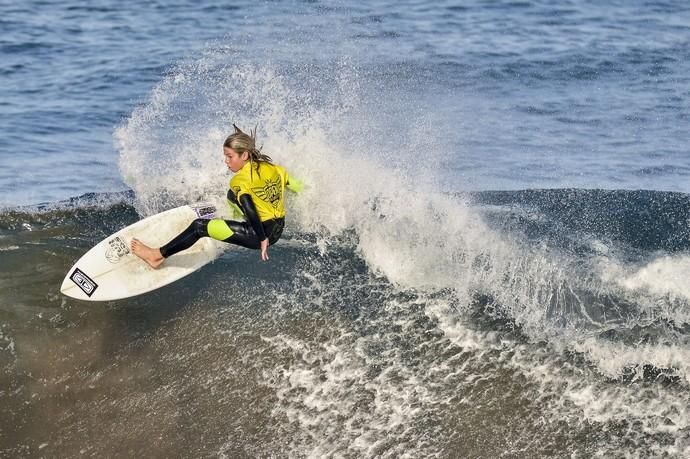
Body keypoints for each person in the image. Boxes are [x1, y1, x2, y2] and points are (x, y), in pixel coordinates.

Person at [130, 124, 303, 268]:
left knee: (199, 227)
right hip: (278, 227)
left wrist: (262, 239)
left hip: (260, 233)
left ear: (244, 155)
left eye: (230, 156)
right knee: (231, 195)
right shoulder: (273, 168)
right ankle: (236, 219)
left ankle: (156, 256)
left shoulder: (240, 179)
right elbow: (294, 185)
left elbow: (249, 206)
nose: (226, 161)